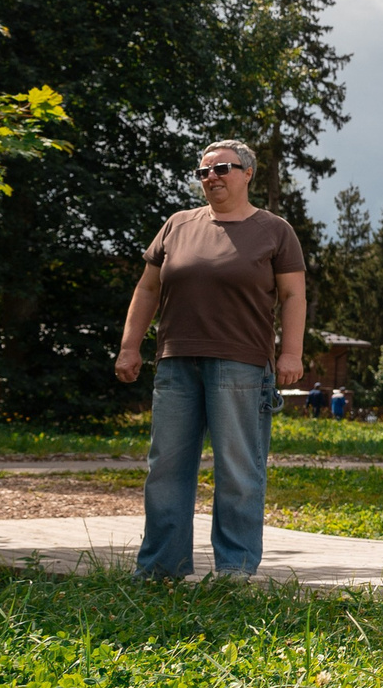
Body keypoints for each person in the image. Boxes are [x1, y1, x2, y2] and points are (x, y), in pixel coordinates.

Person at [117, 140, 306, 581]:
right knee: (165, 467)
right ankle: (160, 567)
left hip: (241, 363)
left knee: (238, 468)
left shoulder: (275, 230)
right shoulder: (177, 225)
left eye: (222, 168)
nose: (212, 177)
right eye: (204, 171)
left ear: (247, 173)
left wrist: (291, 353)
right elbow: (147, 288)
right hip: (176, 361)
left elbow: (294, 295)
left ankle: (234, 569)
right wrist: (130, 346)